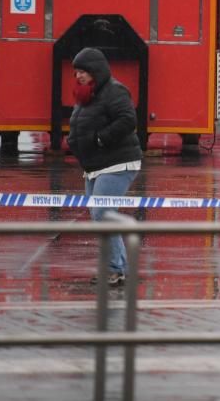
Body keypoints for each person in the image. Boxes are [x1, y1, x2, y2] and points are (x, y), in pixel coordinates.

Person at [67, 47, 142, 287]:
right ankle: (119, 268)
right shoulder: (86, 95)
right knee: (100, 216)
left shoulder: (114, 91)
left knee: (103, 215)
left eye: (84, 71)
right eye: (76, 71)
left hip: (117, 164)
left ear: (96, 71)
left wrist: (101, 139)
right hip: (95, 166)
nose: (79, 76)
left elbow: (128, 120)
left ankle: (113, 269)